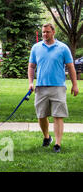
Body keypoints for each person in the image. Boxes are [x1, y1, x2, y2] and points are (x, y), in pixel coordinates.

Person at [28, 23, 79, 153]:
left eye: (48, 32)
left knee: (58, 115)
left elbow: (71, 67)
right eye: (43, 32)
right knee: (41, 115)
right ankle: (47, 137)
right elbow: (31, 66)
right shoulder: (36, 47)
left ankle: (57, 144)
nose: (45, 34)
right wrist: (30, 82)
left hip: (58, 87)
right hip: (41, 87)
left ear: (53, 32)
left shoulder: (63, 48)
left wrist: (75, 84)